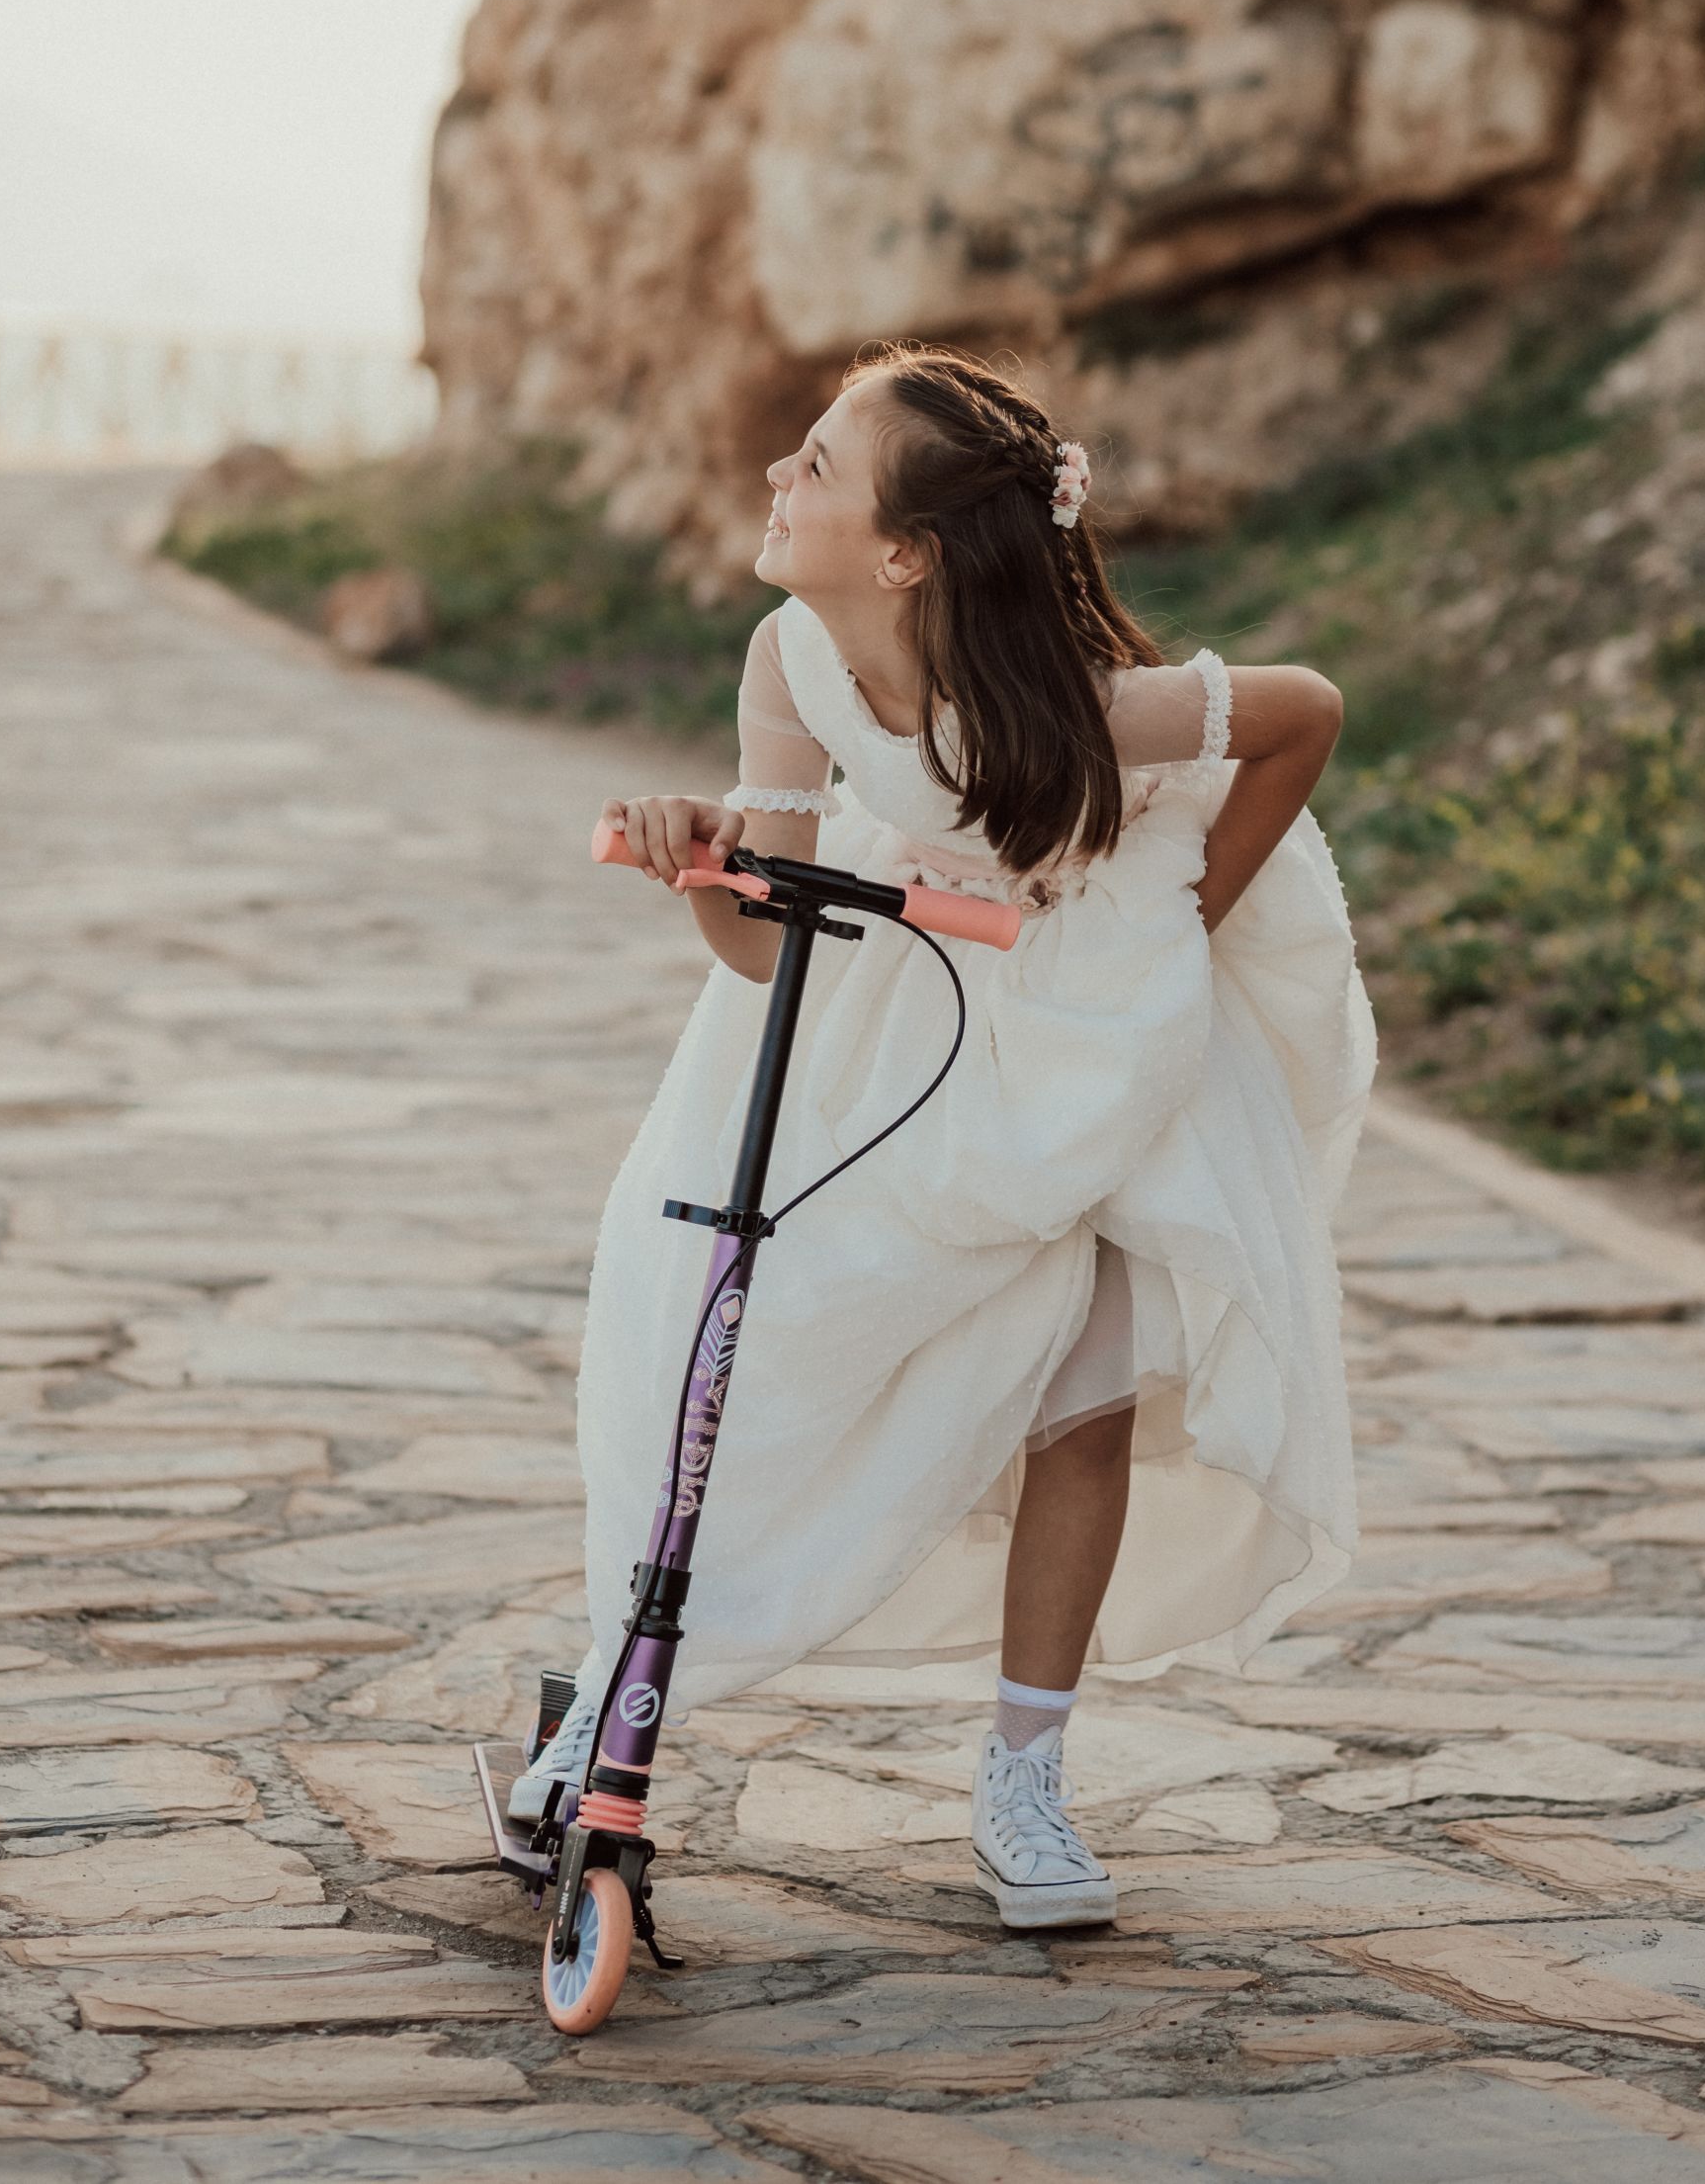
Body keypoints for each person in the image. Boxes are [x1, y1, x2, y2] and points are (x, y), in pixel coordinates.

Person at [514, 340, 1375, 1930]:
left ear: (905, 551)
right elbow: (775, 948)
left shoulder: (1084, 706)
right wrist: (699, 863)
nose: (779, 475)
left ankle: (1025, 1776)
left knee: (1086, 1396)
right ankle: (610, 1688)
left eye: (819, 467)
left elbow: (1304, 712)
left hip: (1093, 1017)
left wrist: (1185, 923)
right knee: (743, 1337)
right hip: (903, 996)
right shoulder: (790, 660)